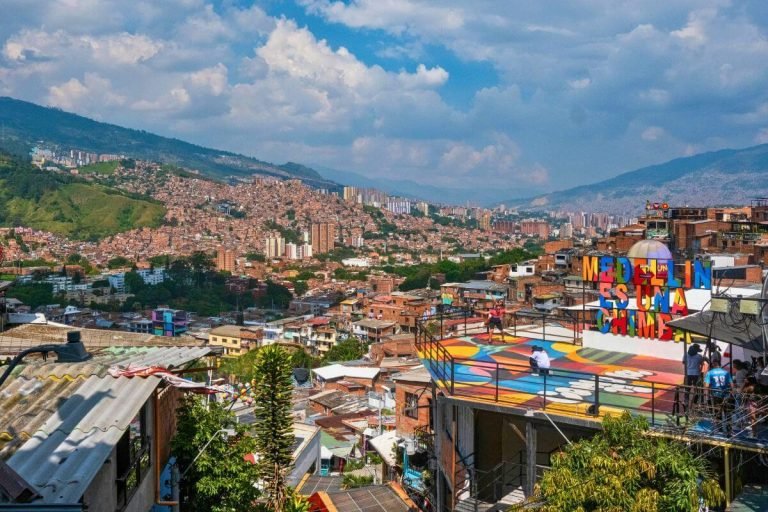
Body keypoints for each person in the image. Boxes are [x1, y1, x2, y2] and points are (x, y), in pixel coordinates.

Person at [704, 359, 733, 435]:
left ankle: (719, 429)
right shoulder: (726, 372)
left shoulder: (710, 373)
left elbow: (706, 386)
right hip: (726, 394)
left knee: (717, 412)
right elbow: (732, 385)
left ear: (714, 364)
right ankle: (728, 430)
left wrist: (706, 397)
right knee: (727, 413)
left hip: (716, 395)